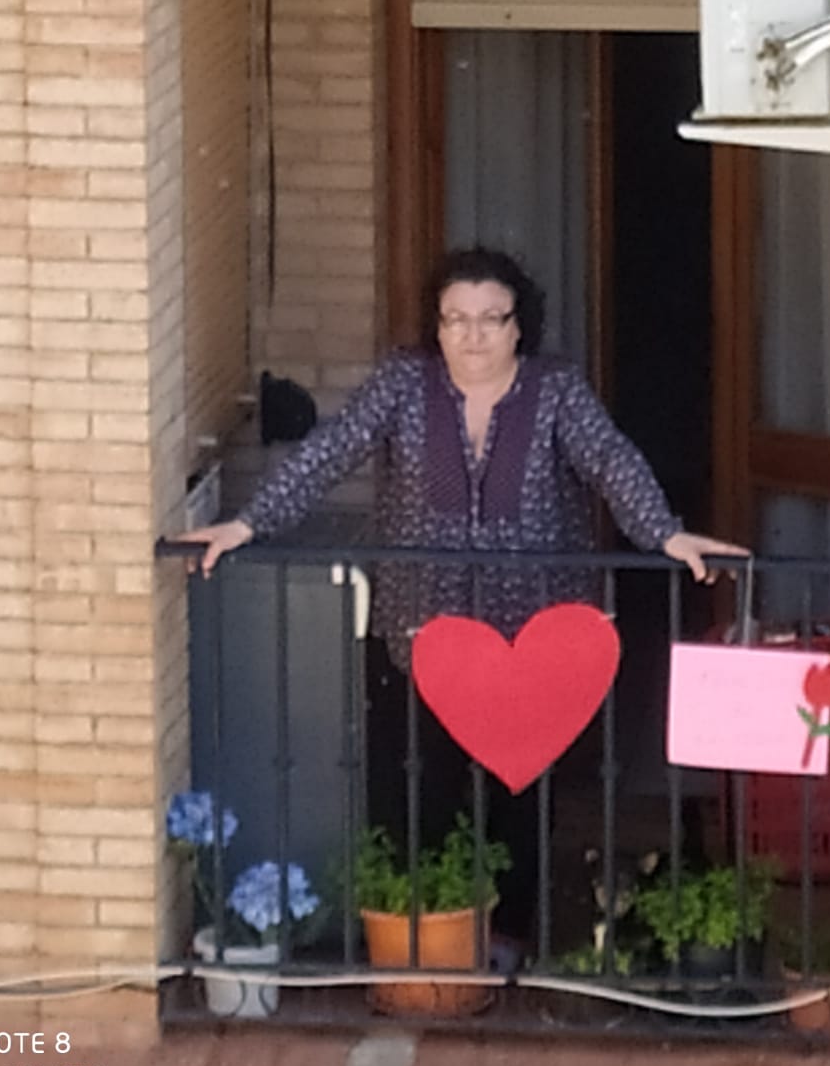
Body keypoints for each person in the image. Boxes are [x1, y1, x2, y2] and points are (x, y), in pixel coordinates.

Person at [178, 246, 746, 953]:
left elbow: (611, 460)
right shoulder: (401, 385)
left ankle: (513, 943)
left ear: (518, 327)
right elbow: (329, 453)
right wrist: (247, 523)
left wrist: (665, 535)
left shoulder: (556, 393)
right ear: (437, 327)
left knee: (520, 805)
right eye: (455, 319)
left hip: (531, 640)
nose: (472, 335)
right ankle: (427, 949)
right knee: (420, 798)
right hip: (421, 638)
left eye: (489, 319)